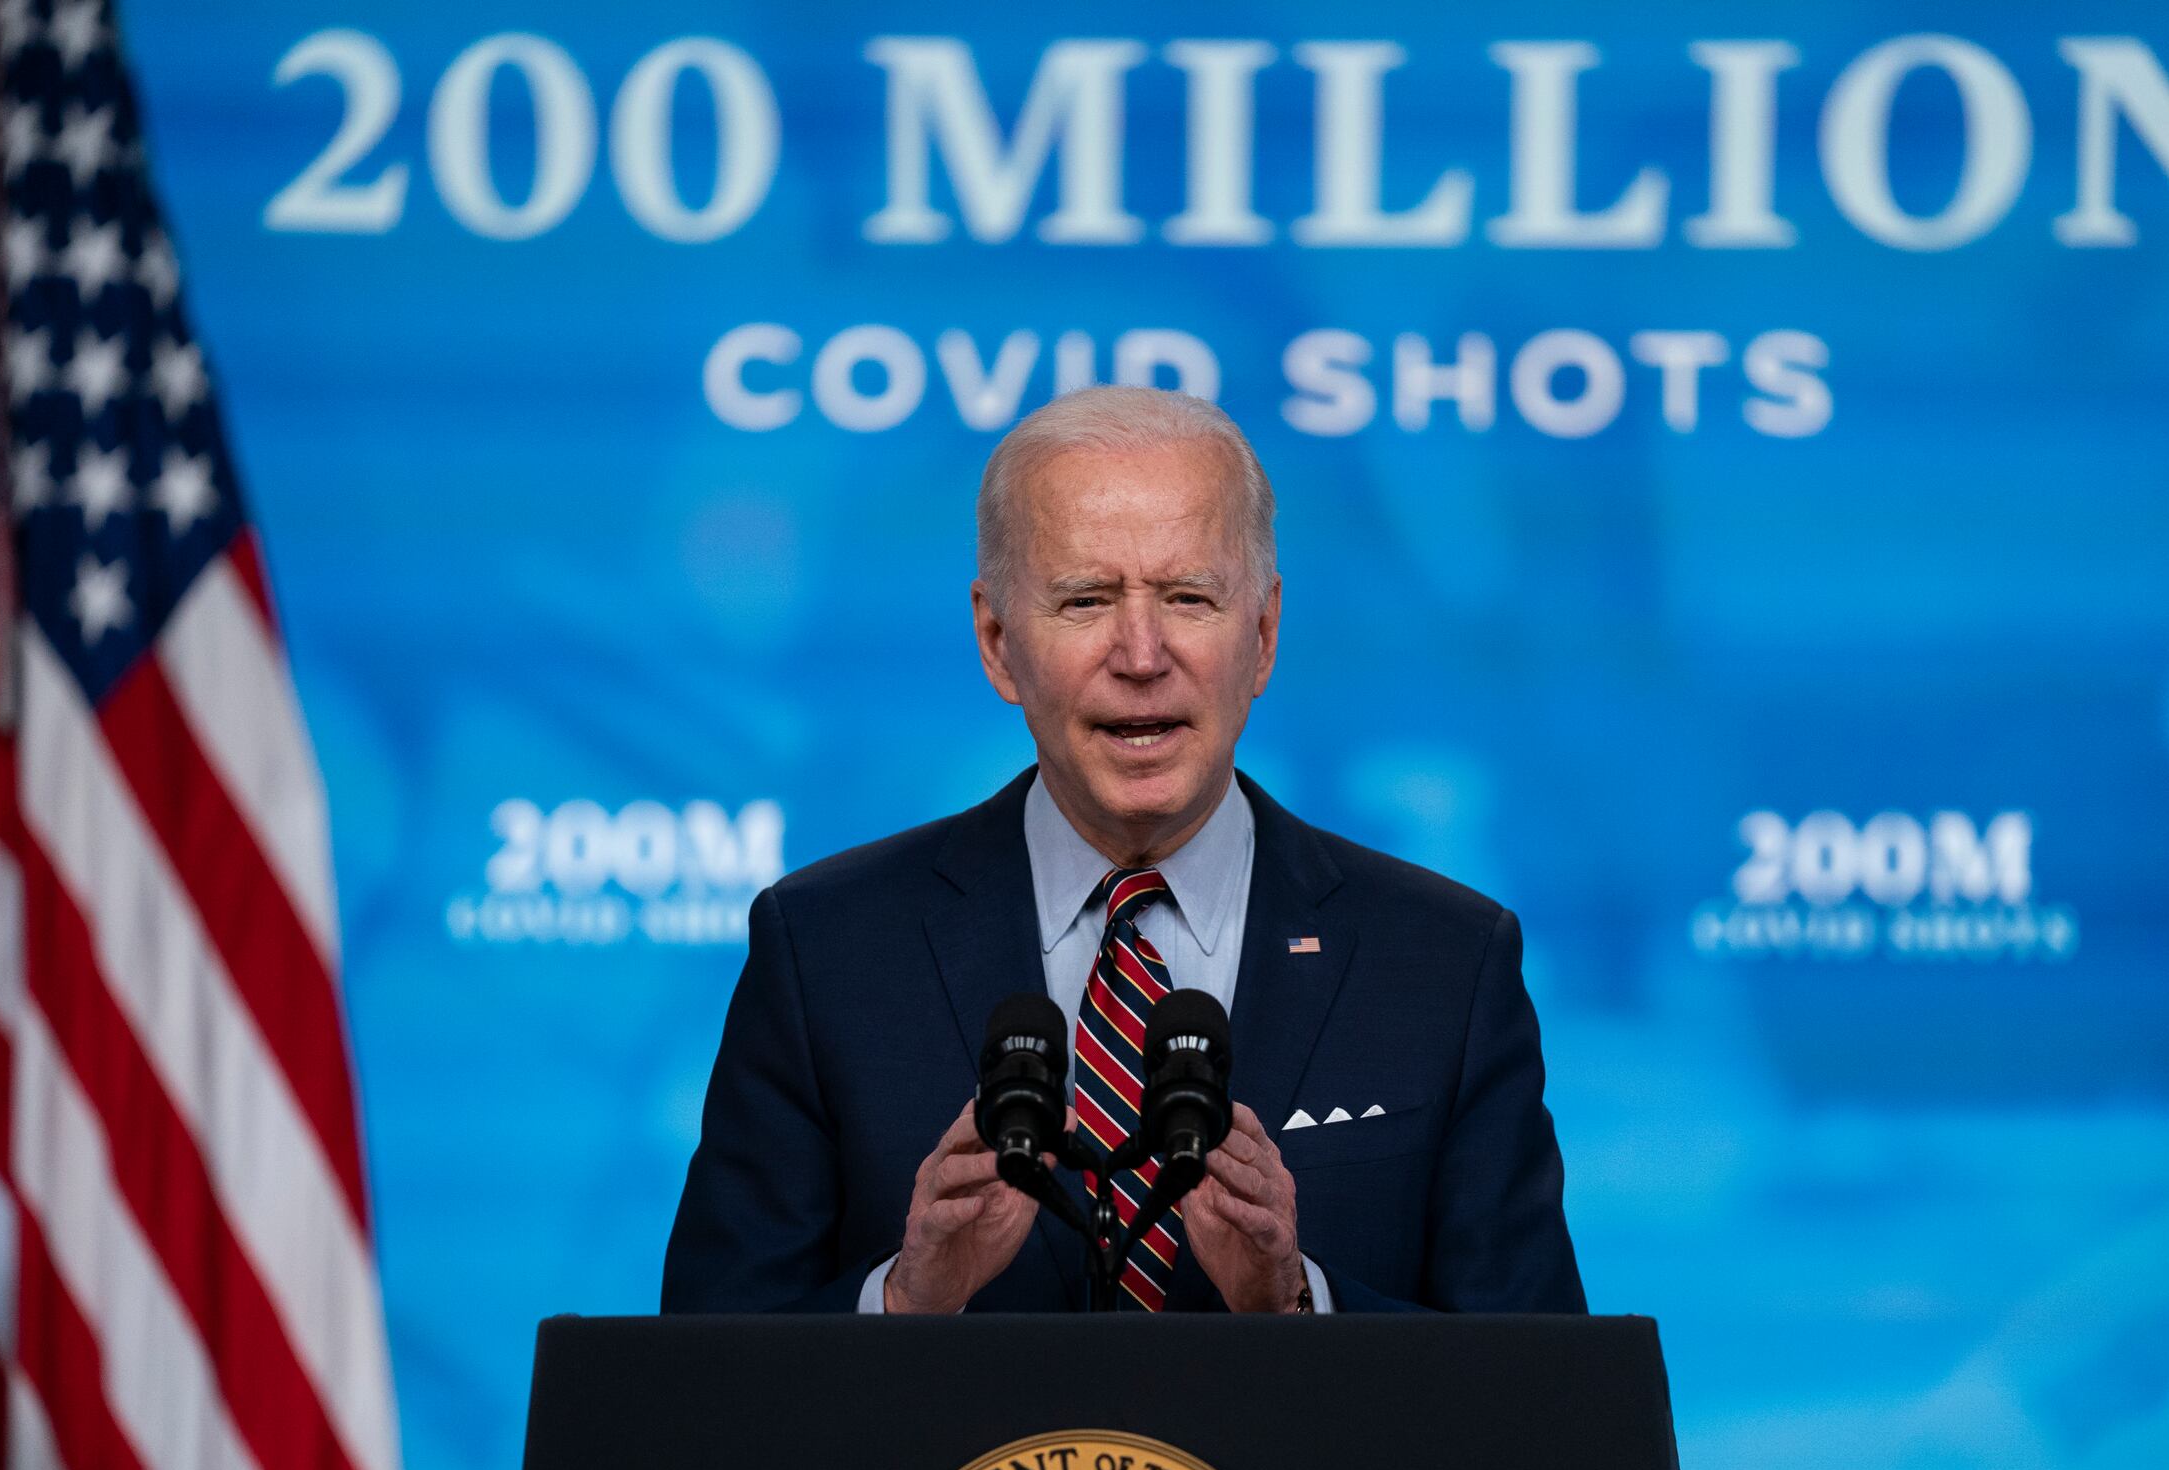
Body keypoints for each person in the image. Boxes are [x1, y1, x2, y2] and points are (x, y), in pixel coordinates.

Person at [661, 386, 1585, 1314]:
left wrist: (1296, 1307)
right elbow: (692, 1397)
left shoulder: (1444, 963)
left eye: (1189, 597)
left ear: (1261, 636)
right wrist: (904, 1304)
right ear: (996, 642)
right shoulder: (826, 950)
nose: (1141, 654)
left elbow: (1544, 1410)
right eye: (1085, 599)